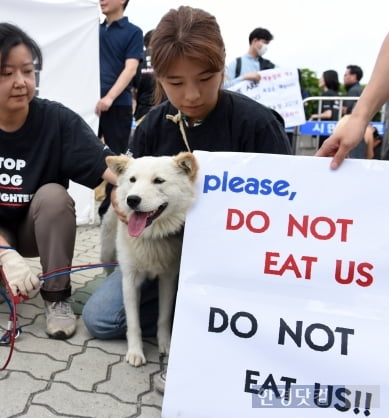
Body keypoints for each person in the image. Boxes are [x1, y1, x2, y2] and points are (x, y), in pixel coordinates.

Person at [82, 6, 292, 393]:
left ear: (223, 66)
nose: (191, 94)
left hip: (232, 262)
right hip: (158, 254)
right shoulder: (151, 129)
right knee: (101, 319)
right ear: (158, 77)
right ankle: (183, 315)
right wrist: (119, 198)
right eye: (175, 82)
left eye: (206, 78)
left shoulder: (257, 125)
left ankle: (198, 325)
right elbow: (125, 185)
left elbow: (287, 208)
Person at [0, 22, 116, 340]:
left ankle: (57, 296)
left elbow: (109, 168)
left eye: (27, 70)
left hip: (35, 229)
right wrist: (6, 256)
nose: (20, 82)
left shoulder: (57, 121)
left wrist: (143, 180)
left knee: (54, 195)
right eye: (7, 72)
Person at [96, 0, 143, 218]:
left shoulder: (133, 32)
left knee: (117, 159)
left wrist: (109, 97)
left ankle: (110, 208)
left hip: (118, 105)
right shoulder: (91, 29)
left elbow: (131, 68)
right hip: (89, 105)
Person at [316, 31, 389, 169]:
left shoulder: (353, 91)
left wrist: (358, 118)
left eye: (346, 74)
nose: (344, 78)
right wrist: (358, 119)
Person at [308, 70, 340, 149]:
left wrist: (314, 116)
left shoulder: (327, 94)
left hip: (325, 132)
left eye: (322, 77)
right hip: (334, 130)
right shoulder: (336, 94)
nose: (319, 79)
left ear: (327, 79)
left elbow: (328, 114)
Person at [133, 29, 155, 122]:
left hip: (142, 111)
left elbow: (132, 89)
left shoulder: (136, 59)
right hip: (166, 110)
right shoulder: (166, 57)